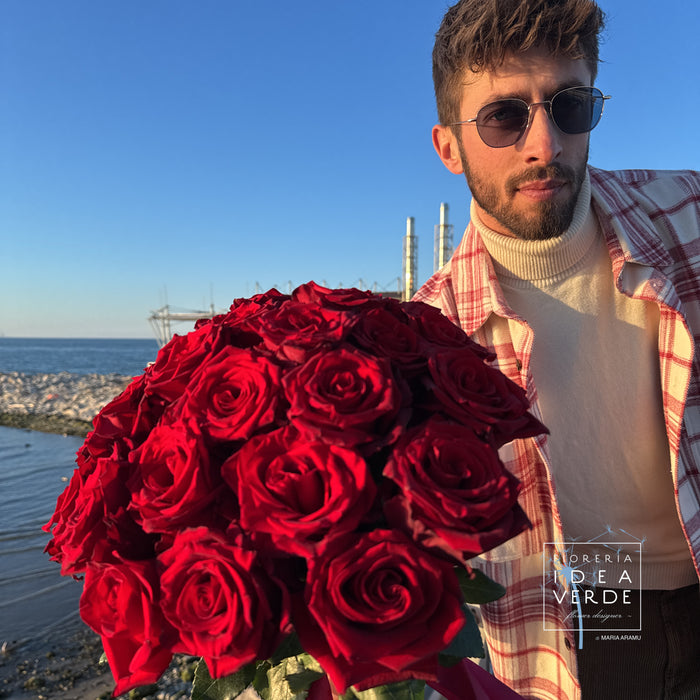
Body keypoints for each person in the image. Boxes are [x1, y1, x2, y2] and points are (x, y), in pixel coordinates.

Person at [414, 1, 700, 698]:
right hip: (590, 614)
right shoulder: (427, 337)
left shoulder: (688, 214)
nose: (545, 143)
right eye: (504, 117)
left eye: (570, 106)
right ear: (448, 146)